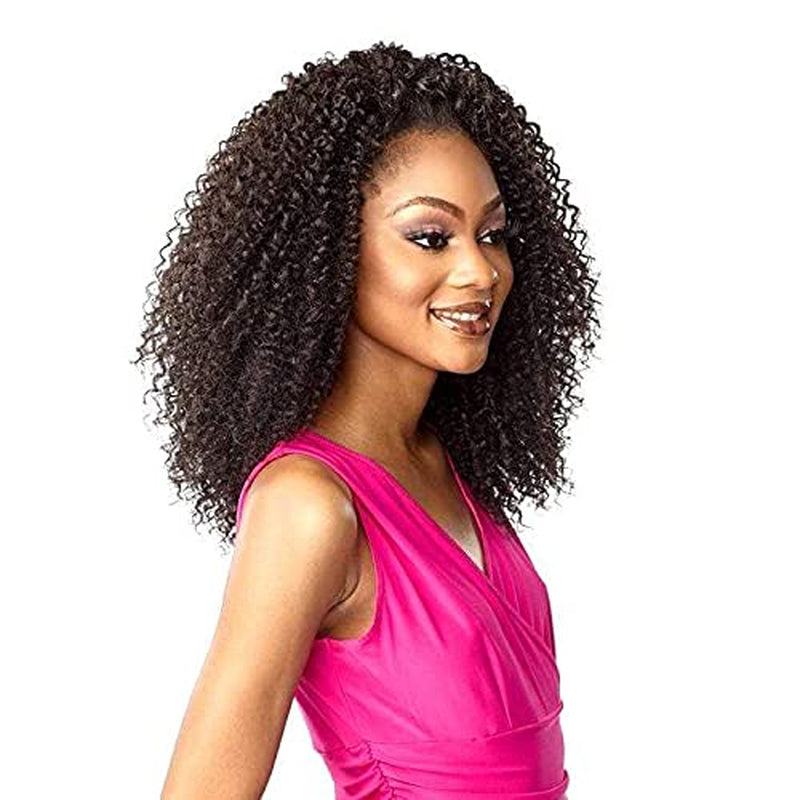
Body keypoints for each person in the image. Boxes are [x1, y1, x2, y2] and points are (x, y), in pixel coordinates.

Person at [136, 40, 600, 799]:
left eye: (491, 234)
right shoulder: (307, 505)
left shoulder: (444, 464)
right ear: (326, 253)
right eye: (431, 237)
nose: (480, 270)